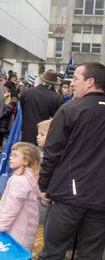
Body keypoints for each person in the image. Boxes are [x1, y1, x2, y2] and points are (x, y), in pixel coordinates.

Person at [38, 62, 105, 259]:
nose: (72, 83)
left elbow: (52, 153)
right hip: (100, 199)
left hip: (68, 194)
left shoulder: (70, 109)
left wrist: (44, 186)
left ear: (90, 82)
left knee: (53, 252)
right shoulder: (71, 108)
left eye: (76, 78)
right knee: (91, 255)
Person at [0, 142, 41, 250]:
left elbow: (11, 208)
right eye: (11, 155)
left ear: (26, 161)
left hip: (14, 233)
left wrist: (0, 227)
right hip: (22, 231)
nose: (10, 158)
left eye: (15, 156)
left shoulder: (20, 181)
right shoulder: (29, 177)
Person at [20, 69, 63, 145]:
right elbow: (57, 119)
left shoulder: (27, 93)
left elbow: (23, 111)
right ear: (54, 84)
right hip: (44, 136)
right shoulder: (57, 97)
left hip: (27, 133)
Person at [31, 119, 52, 259]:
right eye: (38, 133)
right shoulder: (39, 154)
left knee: (40, 237)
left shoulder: (49, 158)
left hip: (43, 206)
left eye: (42, 134)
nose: (38, 136)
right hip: (34, 204)